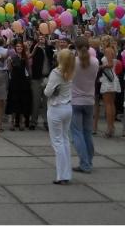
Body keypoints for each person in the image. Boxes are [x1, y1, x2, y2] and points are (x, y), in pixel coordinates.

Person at [44, 48, 75, 185]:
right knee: (64, 139)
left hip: (56, 108)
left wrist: (49, 87)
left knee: (57, 142)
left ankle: (62, 175)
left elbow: (47, 92)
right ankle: (66, 173)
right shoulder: (71, 70)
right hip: (67, 107)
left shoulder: (56, 72)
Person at [71, 36, 100, 174]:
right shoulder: (95, 61)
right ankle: (89, 160)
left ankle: (84, 163)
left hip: (75, 100)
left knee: (77, 133)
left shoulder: (73, 62)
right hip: (89, 100)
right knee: (87, 133)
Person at [7, 41, 32, 131]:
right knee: (14, 101)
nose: (19, 48)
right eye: (17, 46)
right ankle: (12, 121)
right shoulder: (12, 57)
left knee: (22, 101)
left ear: (23, 48)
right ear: (15, 48)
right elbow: (9, 69)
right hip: (14, 81)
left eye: (20, 47)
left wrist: (29, 79)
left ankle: (22, 121)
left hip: (23, 81)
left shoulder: (25, 57)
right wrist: (9, 62)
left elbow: (28, 69)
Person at [28, 35, 52, 130]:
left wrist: (47, 47)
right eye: (39, 38)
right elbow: (29, 55)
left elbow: (52, 57)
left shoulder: (49, 48)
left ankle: (46, 122)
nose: (41, 39)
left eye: (43, 38)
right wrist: (36, 47)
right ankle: (33, 121)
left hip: (47, 78)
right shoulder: (35, 48)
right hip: (36, 78)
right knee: (36, 101)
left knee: (46, 102)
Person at [98, 38, 120, 137]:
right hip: (113, 77)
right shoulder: (113, 50)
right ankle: (112, 127)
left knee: (107, 104)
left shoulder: (107, 50)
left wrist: (101, 67)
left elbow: (110, 64)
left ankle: (109, 128)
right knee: (111, 104)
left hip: (108, 78)